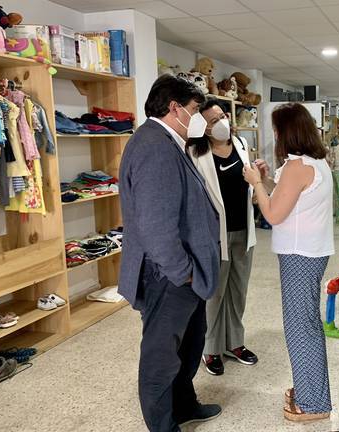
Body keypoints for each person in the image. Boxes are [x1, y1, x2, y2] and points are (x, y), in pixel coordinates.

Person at [118, 74, 221, 432]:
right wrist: (183, 272)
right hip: (169, 275)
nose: (200, 118)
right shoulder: (154, 146)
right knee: (161, 356)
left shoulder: (168, 141)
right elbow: (155, 224)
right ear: (175, 108)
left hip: (183, 273)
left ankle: (183, 405)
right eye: (195, 109)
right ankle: (163, 425)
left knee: (188, 345)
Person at [243, 103, 334, 423]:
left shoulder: (297, 167)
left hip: (300, 255)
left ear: (286, 132)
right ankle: (311, 392)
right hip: (310, 252)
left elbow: (272, 214)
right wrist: (267, 180)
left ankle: (314, 404)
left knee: (300, 328)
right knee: (305, 324)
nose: (275, 135)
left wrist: (255, 182)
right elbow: (287, 199)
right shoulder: (314, 162)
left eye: (277, 130)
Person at [188, 98, 258, 376]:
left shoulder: (240, 145)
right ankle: (211, 348)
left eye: (223, 116)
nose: (222, 123)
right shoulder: (196, 153)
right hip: (215, 235)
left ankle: (235, 343)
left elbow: (249, 186)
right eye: (214, 120)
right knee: (215, 295)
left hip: (243, 229)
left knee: (238, 291)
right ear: (204, 128)